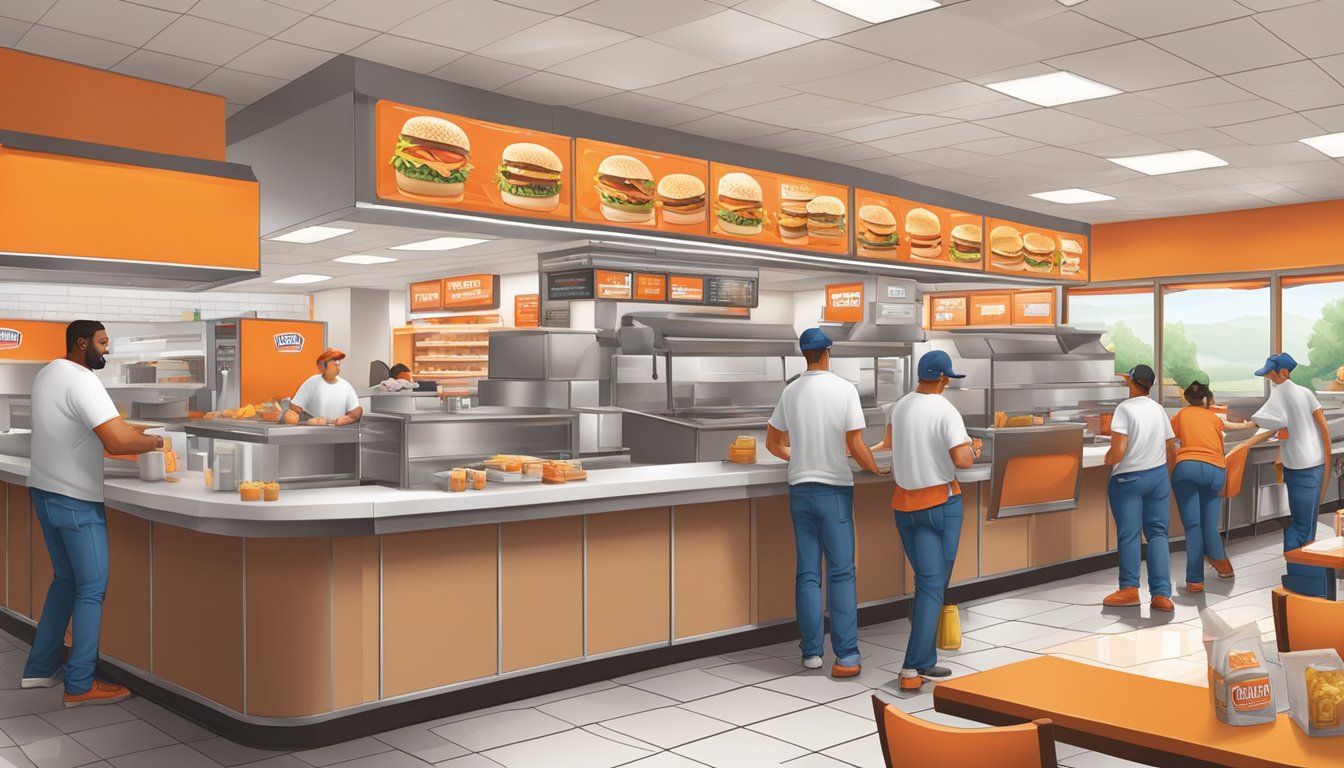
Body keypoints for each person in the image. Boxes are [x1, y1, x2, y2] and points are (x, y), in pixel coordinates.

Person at [25, 320, 165, 707]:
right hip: (76, 501)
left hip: (44, 493)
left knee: (65, 582)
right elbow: (117, 441)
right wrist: (158, 441)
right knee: (91, 589)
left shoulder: (49, 373)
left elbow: (101, 427)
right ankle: (80, 683)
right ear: (82, 343)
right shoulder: (84, 380)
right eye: (103, 343)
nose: (107, 350)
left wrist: (135, 432)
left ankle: (39, 668)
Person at [766, 328, 885, 679]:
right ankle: (846, 656)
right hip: (834, 491)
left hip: (800, 491)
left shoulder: (791, 391)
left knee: (807, 574)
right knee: (842, 573)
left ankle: (811, 653)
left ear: (804, 354)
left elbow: (773, 443)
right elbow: (857, 445)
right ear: (828, 351)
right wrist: (876, 470)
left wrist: (801, 455)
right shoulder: (844, 389)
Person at [869, 349, 980, 692]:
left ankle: (927, 658)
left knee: (925, 584)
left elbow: (888, 443)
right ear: (944, 378)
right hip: (939, 505)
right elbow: (962, 461)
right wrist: (974, 448)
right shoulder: (946, 410)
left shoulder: (899, 406)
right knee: (933, 585)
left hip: (904, 507)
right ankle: (910, 668)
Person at [1242, 353, 1333, 598]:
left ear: (1283, 373)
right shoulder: (1304, 392)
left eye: (1271, 373)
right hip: (1313, 464)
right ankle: (1306, 578)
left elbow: (1263, 420)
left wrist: (1248, 425)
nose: (1269, 377)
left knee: (1300, 526)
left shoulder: (1281, 393)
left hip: (1300, 467)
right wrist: (1328, 457)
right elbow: (1321, 425)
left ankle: (1300, 579)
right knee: (1308, 524)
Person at [1102, 364, 1176, 612]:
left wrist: (1108, 458)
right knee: (1158, 534)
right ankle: (1162, 595)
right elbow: (1170, 448)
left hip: (1128, 480)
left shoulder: (1124, 409)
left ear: (1132, 382)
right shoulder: (1158, 409)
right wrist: (1164, 478)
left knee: (1130, 534)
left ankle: (1129, 590)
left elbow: (1119, 450)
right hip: (1157, 478)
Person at [1170, 381, 1238, 591]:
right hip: (1216, 470)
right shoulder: (1213, 417)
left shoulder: (1180, 415)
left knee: (1193, 526)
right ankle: (1223, 566)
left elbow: (1170, 438)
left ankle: (1195, 580)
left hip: (1187, 469)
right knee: (1209, 524)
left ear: (1187, 399)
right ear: (1208, 400)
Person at [284, 348, 363, 426]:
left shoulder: (346, 386)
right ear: (322, 366)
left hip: (337, 433)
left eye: (338, 362)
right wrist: (308, 423)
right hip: (312, 433)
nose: (337, 365)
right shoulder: (311, 383)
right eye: (333, 362)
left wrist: (333, 422)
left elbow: (355, 414)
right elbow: (292, 414)